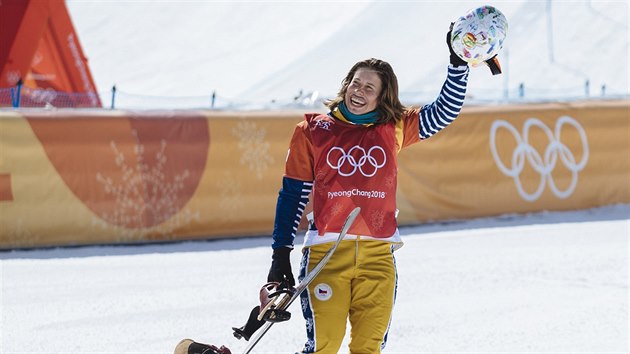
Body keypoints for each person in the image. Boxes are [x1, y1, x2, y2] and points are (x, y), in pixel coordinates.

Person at [265, 24, 492, 354]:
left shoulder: (394, 127)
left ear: (382, 96)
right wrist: (279, 257)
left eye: (369, 87)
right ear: (346, 85)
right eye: (356, 83)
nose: (359, 91)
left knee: (368, 348)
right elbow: (292, 197)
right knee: (324, 346)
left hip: (378, 256)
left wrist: (458, 65)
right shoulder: (313, 130)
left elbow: (444, 111)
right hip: (326, 254)